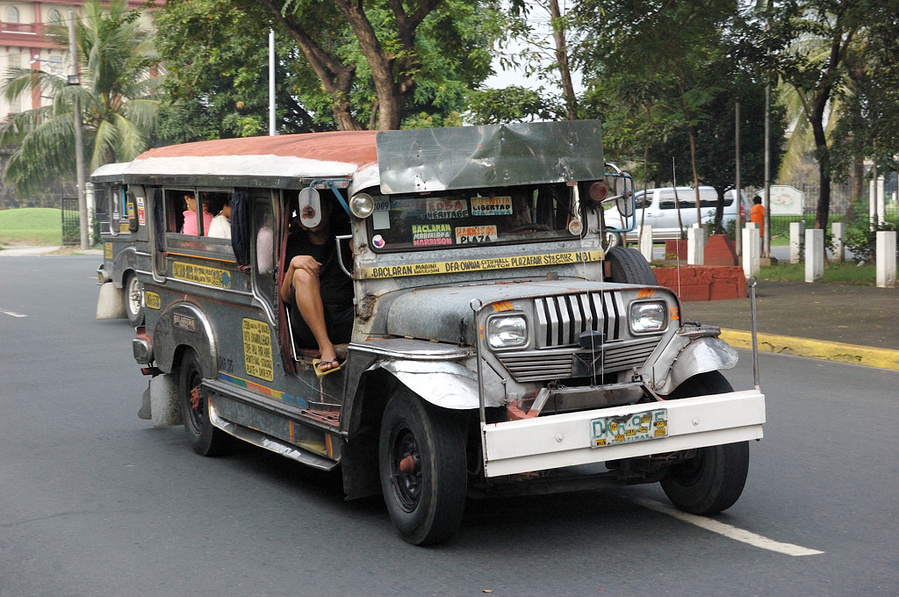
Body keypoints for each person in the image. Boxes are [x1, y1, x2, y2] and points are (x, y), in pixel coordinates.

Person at [279, 199, 354, 376]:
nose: (310, 213)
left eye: (317, 208)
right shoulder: (292, 244)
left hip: (348, 317)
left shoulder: (345, 236)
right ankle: (325, 346)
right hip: (310, 327)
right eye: (305, 210)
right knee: (302, 273)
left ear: (328, 209)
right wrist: (293, 265)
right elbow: (285, 296)